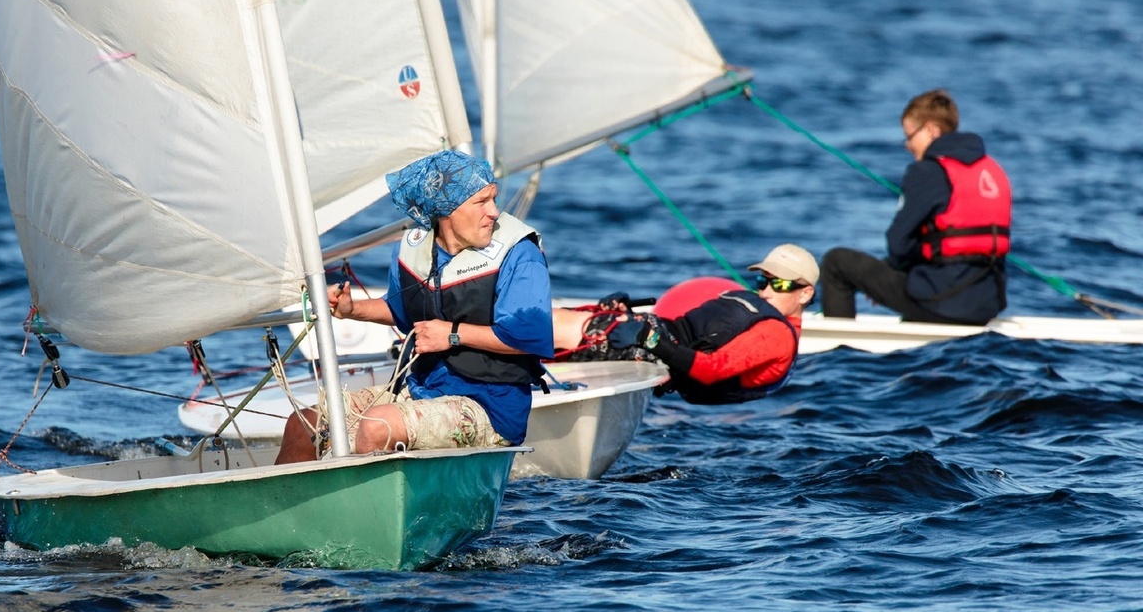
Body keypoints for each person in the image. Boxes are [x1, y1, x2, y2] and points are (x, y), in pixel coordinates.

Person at [276, 150, 553, 463]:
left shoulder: (520, 255)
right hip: (425, 389)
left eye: (493, 198)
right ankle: (281, 509)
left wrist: (452, 335)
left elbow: (527, 336)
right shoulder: (414, 250)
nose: (493, 212)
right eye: (481, 202)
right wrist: (352, 310)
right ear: (446, 209)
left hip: (491, 405)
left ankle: (372, 510)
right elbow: (401, 311)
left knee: (375, 428)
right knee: (303, 424)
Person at [818, 89, 1011, 325]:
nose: (908, 145)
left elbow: (898, 245)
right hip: (987, 305)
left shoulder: (926, 171)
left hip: (942, 302)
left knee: (836, 263)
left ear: (931, 130)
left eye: (910, 136)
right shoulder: (991, 168)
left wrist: (889, 271)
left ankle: (840, 352)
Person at [552, 244, 818, 405]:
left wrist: (649, 339)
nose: (767, 291)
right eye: (763, 282)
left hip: (650, 351)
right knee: (552, 325)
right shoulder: (765, 317)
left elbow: (711, 370)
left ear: (805, 294)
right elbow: (683, 329)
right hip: (651, 339)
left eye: (780, 284)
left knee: (551, 324)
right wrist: (630, 314)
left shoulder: (776, 334)